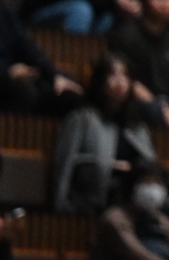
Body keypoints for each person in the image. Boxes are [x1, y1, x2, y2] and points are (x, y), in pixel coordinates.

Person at [52, 54, 157, 214]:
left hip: (135, 205)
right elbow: (64, 166)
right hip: (92, 206)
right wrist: (60, 208)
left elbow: (151, 164)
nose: (120, 82)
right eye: (113, 75)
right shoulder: (82, 119)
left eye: (125, 75)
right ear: (100, 82)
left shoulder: (137, 126)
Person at [106, 0, 169, 135]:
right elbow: (129, 82)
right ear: (143, 0)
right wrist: (164, 112)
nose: (164, 2)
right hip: (138, 103)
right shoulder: (126, 35)